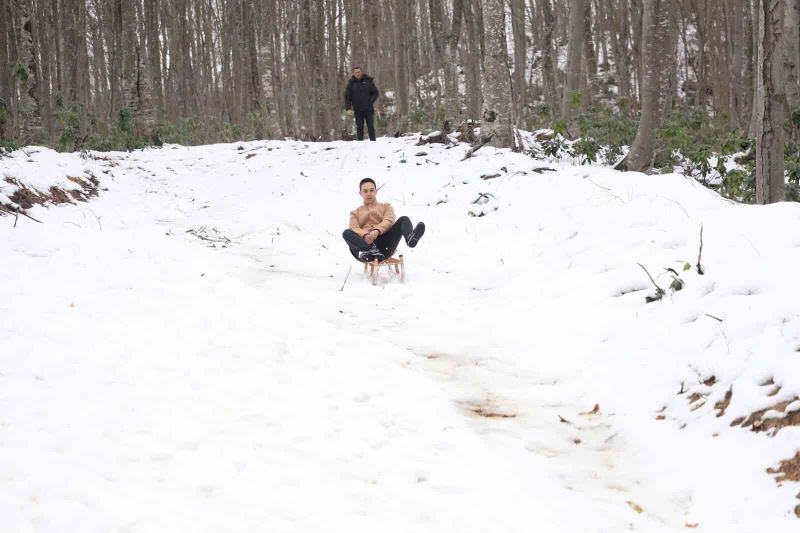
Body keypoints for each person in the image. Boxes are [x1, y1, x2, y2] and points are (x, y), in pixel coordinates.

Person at [342, 178, 425, 262]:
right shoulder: (355, 213)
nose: (369, 193)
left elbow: (389, 220)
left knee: (404, 219)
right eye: (365, 191)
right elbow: (354, 227)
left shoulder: (386, 206)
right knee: (347, 232)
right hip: (364, 249)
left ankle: (410, 238)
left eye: (371, 190)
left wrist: (377, 230)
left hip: (385, 246)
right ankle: (370, 251)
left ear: (376, 191)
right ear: (360, 193)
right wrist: (365, 235)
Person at [344, 66, 379, 141]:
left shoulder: (368, 81)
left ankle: (373, 142)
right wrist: (348, 108)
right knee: (359, 127)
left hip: (368, 109)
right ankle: (360, 143)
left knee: (370, 126)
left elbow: (375, 93)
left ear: (361, 72)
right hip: (358, 110)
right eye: (356, 72)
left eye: (359, 72)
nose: (357, 74)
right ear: (353, 73)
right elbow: (347, 97)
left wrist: (370, 101)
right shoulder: (351, 83)